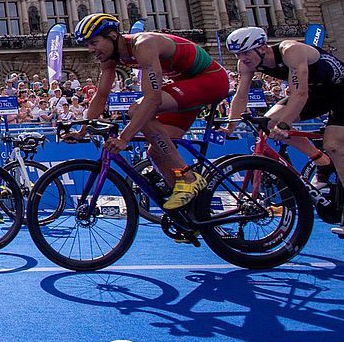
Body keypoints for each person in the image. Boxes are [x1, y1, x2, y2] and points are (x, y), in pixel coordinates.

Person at [72, 13, 229, 212]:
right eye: (87, 44)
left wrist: (124, 138)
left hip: (211, 80)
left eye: (94, 42)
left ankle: (188, 177)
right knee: (155, 150)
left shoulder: (143, 44)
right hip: (186, 86)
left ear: (112, 35)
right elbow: (101, 95)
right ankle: (191, 211)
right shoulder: (110, 57)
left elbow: (153, 98)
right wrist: (82, 130)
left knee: (138, 108)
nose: (91, 50)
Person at [224, 26, 344, 236]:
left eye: (245, 53)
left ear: (262, 47)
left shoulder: (292, 50)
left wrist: (286, 125)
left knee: (334, 144)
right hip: (318, 94)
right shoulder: (246, 64)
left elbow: (300, 94)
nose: (242, 59)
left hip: (340, 91)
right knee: (267, 123)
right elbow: (241, 96)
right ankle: (321, 161)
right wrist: (229, 125)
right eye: (237, 54)